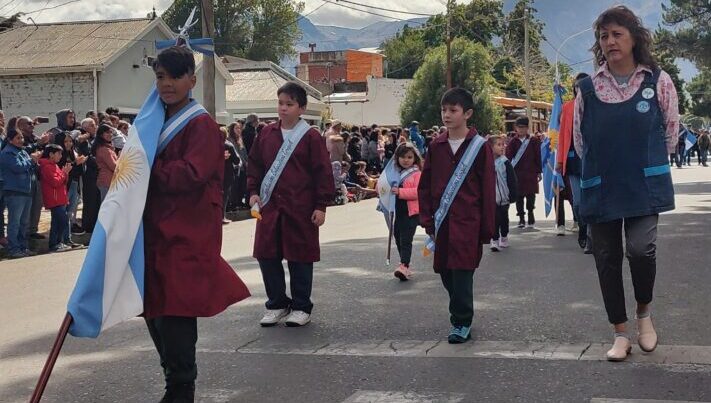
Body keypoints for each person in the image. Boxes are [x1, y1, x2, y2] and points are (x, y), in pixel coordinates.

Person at [144, 46, 250, 402]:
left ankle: (181, 386)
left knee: (175, 309)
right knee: (156, 310)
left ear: (191, 78)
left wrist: (146, 172)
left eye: (175, 76)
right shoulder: (153, 117)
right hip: (156, 230)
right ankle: (173, 378)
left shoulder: (201, 123)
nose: (168, 84)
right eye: (161, 76)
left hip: (187, 232)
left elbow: (192, 173)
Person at [574, 5, 679, 362]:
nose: (610, 41)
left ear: (635, 38)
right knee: (606, 257)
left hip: (644, 185)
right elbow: (579, 140)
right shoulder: (587, 88)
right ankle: (620, 333)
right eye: (604, 36)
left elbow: (670, 135)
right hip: (602, 184)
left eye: (618, 34)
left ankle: (644, 315)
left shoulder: (657, 80)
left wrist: (643, 161)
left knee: (641, 249)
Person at [247, 81, 334, 327]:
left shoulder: (310, 137)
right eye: (280, 103)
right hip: (270, 206)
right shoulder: (266, 133)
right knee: (267, 255)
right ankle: (276, 303)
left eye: (289, 104)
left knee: (300, 257)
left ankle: (301, 306)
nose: (283, 108)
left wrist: (321, 205)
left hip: (301, 206)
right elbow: (254, 165)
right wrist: (253, 192)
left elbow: (322, 172)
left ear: (302, 108)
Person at [418, 87, 495, 344]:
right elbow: (425, 185)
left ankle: (461, 320)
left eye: (453, 110)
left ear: (467, 113)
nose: (447, 115)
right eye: (444, 110)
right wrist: (427, 218)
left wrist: (487, 227)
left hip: (468, 222)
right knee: (444, 270)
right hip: (442, 223)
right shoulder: (435, 146)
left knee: (462, 271)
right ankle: (461, 307)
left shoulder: (480, 147)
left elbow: (486, 187)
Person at [558, 73, 592, 252]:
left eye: (583, 85)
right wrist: (559, 160)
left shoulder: (596, 105)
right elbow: (563, 134)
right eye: (577, 86)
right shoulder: (567, 107)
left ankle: (591, 236)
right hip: (572, 159)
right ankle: (583, 229)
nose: (579, 89)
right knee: (577, 201)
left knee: (592, 198)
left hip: (592, 159)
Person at [0, 130, 38, 258]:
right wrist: (31, 161)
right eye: (18, 138)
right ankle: (14, 249)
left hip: (26, 190)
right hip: (15, 192)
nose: (21, 140)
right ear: (10, 140)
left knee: (24, 222)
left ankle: (23, 247)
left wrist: (34, 161)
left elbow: (30, 168)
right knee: (14, 222)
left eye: (22, 137)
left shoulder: (22, 151)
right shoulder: (7, 153)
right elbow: (18, 167)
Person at [390, 142, 422, 280]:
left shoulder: (417, 174)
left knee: (406, 239)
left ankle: (404, 264)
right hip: (398, 212)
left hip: (411, 212)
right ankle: (404, 264)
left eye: (409, 157)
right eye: (403, 157)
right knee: (397, 237)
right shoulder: (394, 172)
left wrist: (400, 192)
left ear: (414, 158)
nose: (406, 160)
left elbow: (418, 192)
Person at [16, 116, 50, 241]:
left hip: (37, 174)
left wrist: (44, 142)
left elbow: (42, 151)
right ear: (20, 126)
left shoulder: (34, 138)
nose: (32, 125)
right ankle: (23, 233)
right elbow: (22, 151)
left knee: (37, 203)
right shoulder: (18, 139)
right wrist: (38, 144)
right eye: (29, 123)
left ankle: (33, 230)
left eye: (32, 123)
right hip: (25, 176)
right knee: (26, 207)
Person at [506, 116, 542, 229]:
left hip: (530, 173)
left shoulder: (533, 141)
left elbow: (538, 156)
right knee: (519, 197)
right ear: (516, 128)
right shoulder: (513, 142)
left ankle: (531, 213)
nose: (521, 130)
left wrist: (539, 171)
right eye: (519, 127)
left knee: (531, 195)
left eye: (524, 127)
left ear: (527, 128)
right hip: (517, 173)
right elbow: (508, 157)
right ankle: (521, 217)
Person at [38, 144, 73, 253]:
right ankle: (54, 244)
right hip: (54, 200)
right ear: (51, 154)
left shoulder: (55, 165)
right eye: (58, 153)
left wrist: (65, 174)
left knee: (57, 222)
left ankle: (57, 243)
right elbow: (55, 182)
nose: (60, 156)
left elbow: (63, 181)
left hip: (60, 198)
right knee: (62, 221)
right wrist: (64, 173)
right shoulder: (46, 166)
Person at [489, 134, 518, 252]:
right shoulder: (486, 162)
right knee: (493, 220)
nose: (502, 147)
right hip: (491, 198)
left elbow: (512, 180)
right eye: (498, 145)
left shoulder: (505, 162)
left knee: (503, 219)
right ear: (490, 147)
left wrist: (513, 194)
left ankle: (504, 236)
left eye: (503, 145)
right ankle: (494, 239)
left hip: (504, 197)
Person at [93, 124, 118, 203]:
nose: (110, 134)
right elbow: (114, 166)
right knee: (107, 207)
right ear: (101, 134)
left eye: (111, 132)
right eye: (107, 132)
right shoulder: (104, 149)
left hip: (109, 181)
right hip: (106, 181)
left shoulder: (107, 147)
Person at [220, 126, 240, 223]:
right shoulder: (228, 145)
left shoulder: (211, 144)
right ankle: (222, 216)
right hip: (227, 173)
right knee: (225, 196)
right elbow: (236, 161)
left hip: (215, 174)